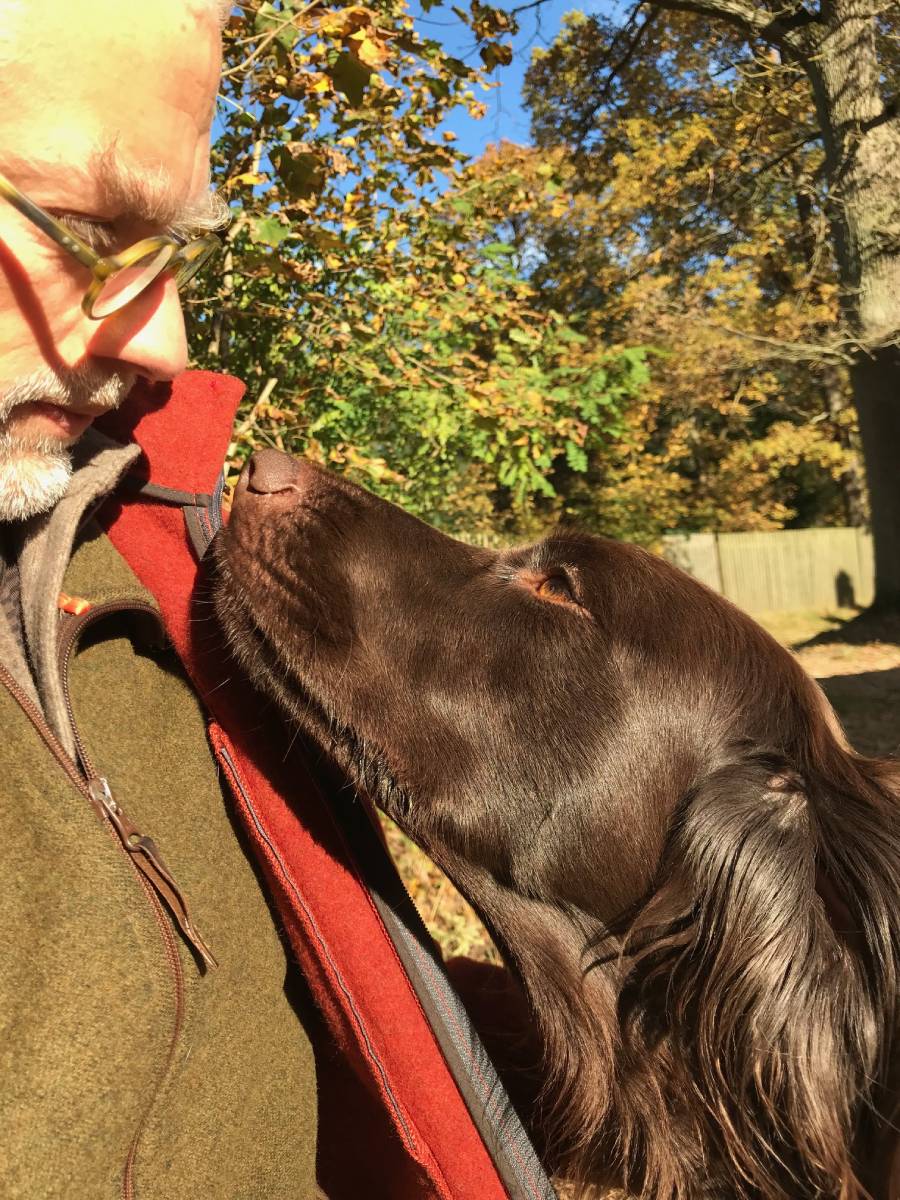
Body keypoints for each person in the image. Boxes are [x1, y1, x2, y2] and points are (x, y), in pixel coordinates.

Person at [0, 3, 552, 1199]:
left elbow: (295, 1011)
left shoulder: (151, 531)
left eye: (168, 253)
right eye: (83, 229)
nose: (167, 343)